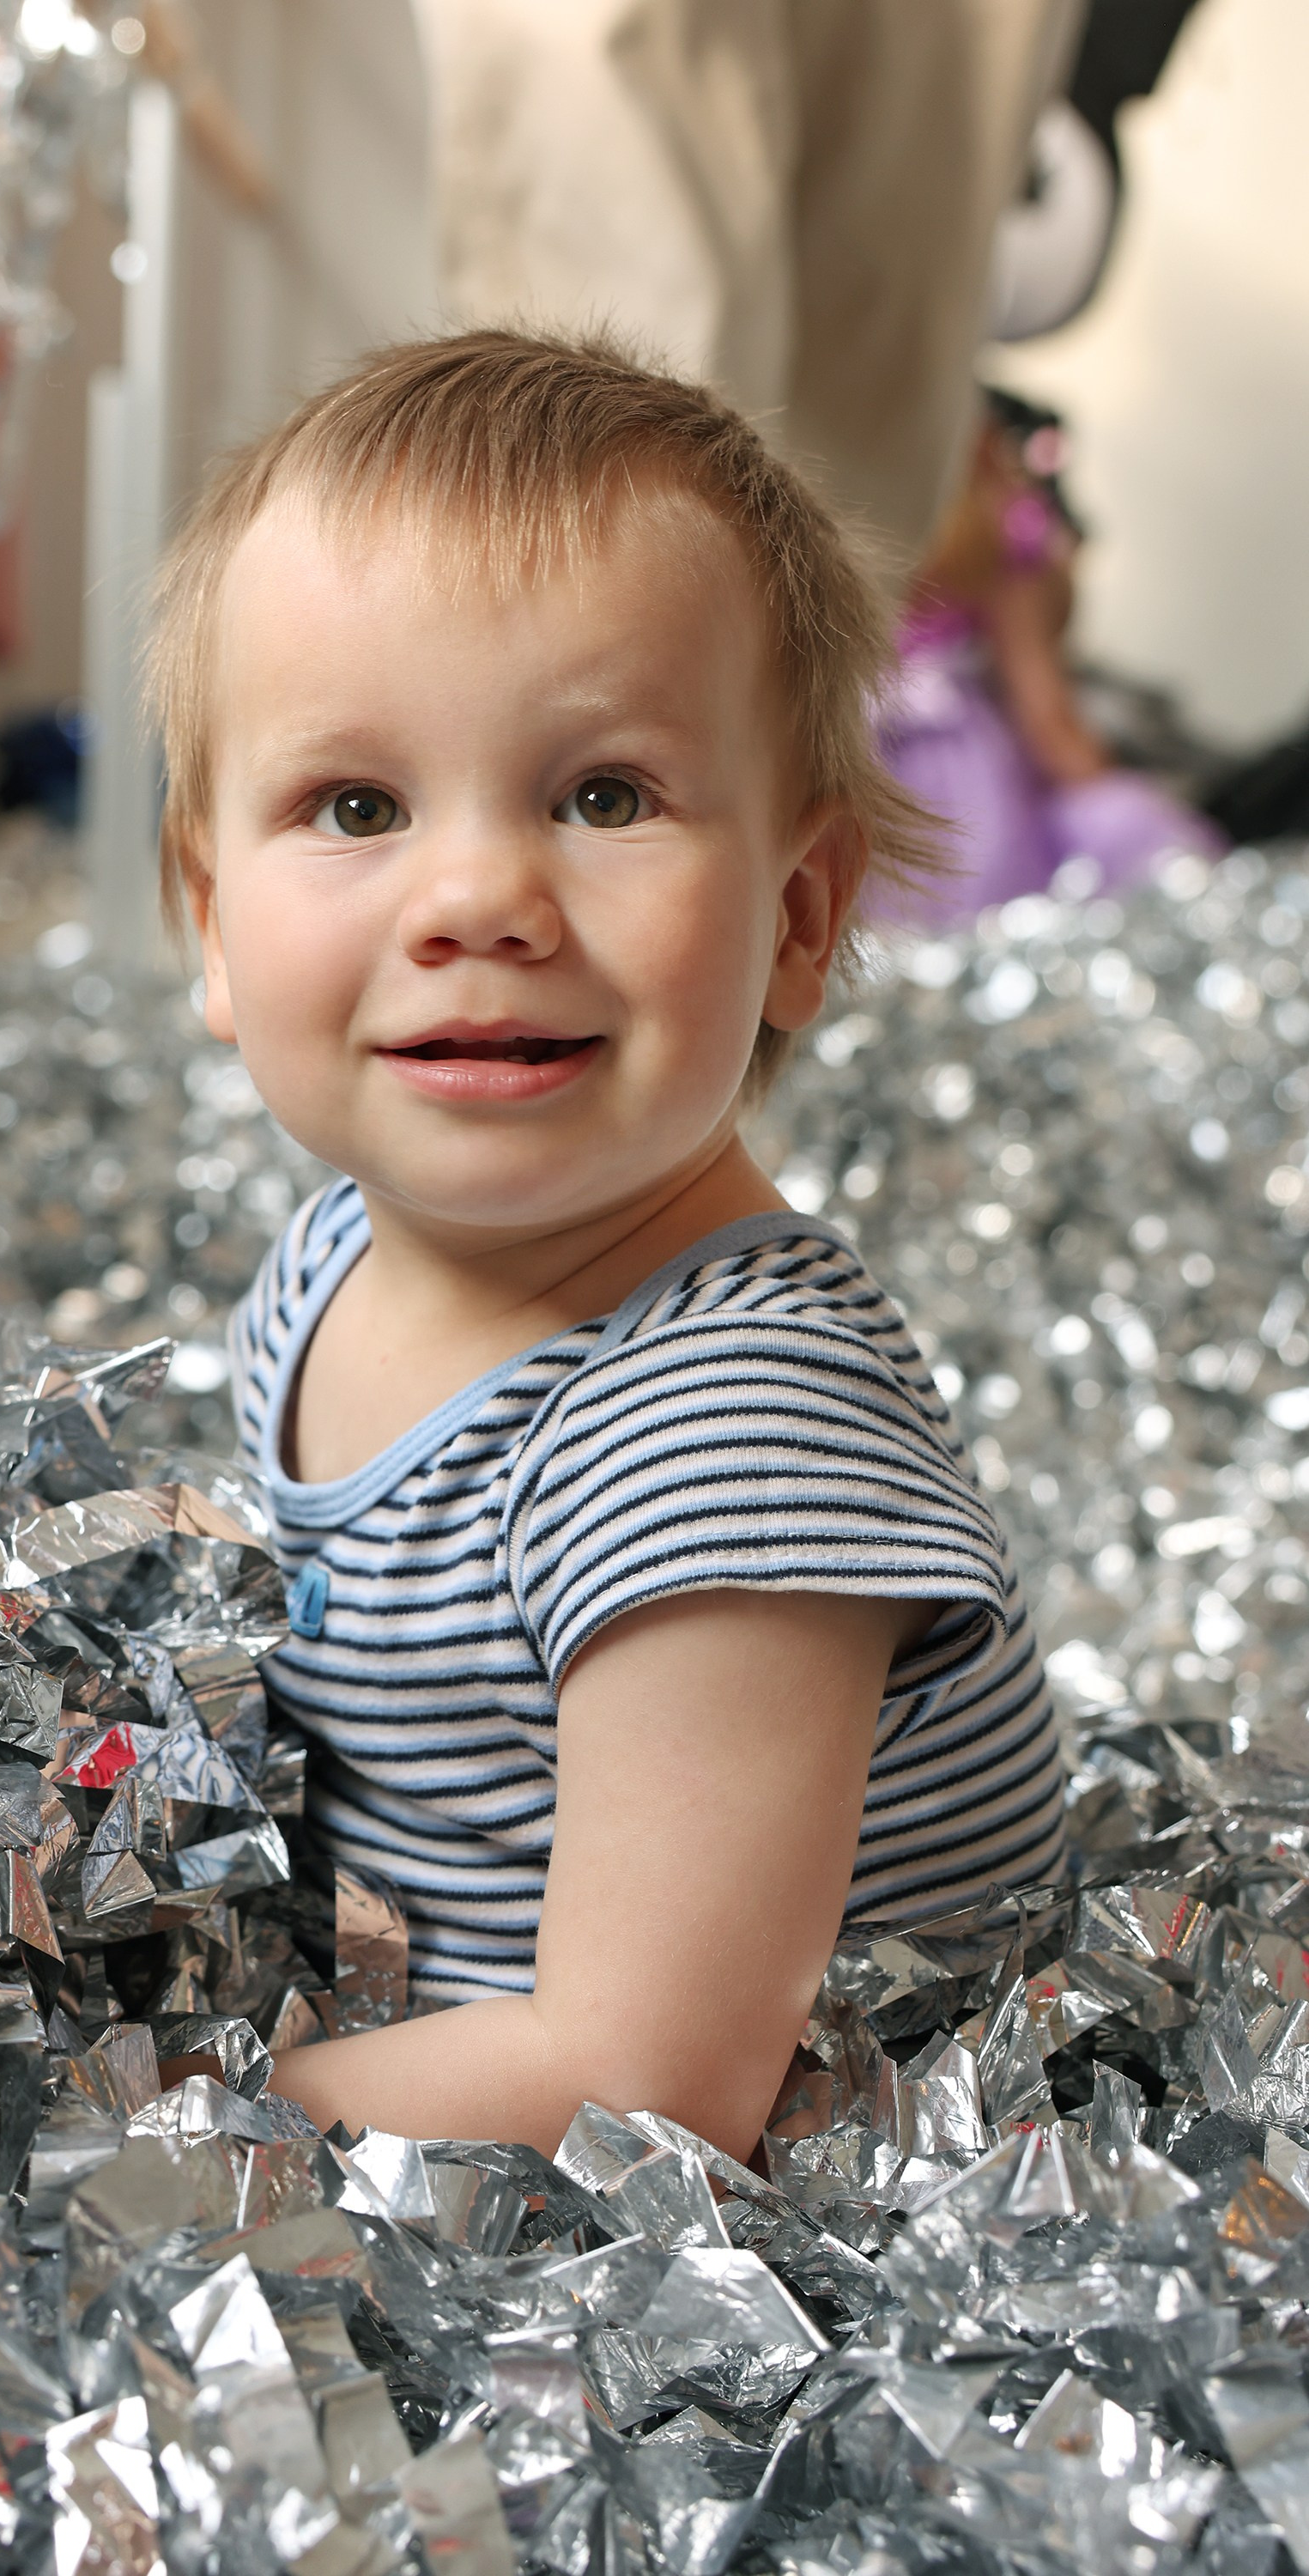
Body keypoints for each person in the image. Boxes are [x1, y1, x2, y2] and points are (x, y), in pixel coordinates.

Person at [148, 330, 1063, 2159]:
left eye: (601, 797)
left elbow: (658, 2084)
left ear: (800, 917)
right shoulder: (329, 1262)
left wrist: (170, 2119)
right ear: (214, 930)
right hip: (445, 2013)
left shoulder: (721, 1430)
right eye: (356, 807)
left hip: (746, 2208)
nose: (479, 897)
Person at [876, 388, 1225, 920]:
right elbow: (1050, 722)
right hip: (959, 789)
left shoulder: (835, 527)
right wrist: (1119, 805)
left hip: (864, 781)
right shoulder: (1006, 539)